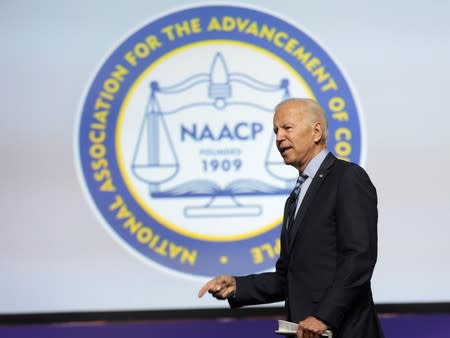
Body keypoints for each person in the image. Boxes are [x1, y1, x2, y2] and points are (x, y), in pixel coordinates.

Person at [198, 98, 384, 338]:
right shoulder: (295, 198)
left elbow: (359, 259)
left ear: (316, 131)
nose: (278, 138)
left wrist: (324, 316)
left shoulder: (347, 178)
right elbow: (289, 276)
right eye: (275, 131)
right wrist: (238, 286)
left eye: (287, 128)